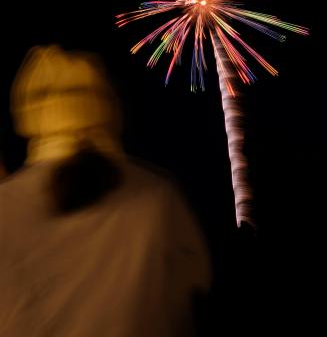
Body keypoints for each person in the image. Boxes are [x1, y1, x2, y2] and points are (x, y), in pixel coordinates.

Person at [0, 45, 212, 337]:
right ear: (108, 106)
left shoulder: (6, 203)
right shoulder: (158, 195)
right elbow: (195, 285)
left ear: (27, 111)